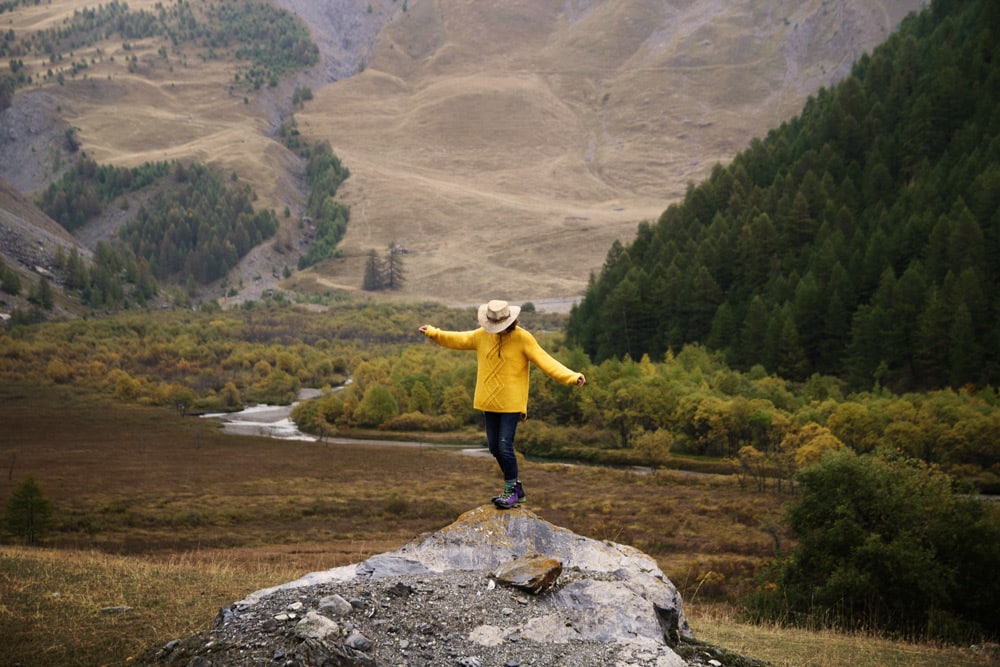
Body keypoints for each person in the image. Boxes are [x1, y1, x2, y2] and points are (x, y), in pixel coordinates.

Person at [419, 299, 587, 509]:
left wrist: (572, 377)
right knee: (494, 447)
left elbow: (546, 360)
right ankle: (516, 488)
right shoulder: (482, 335)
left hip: (511, 403)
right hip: (488, 401)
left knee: (505, 446)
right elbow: (458, 339)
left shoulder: (523, 338)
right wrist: (433, 332)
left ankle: (512, 491)